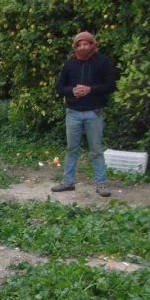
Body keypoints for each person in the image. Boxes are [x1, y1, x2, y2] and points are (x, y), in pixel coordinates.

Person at [51, 31, 117, 197]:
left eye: (85, 44)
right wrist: (72, 91)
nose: (82, 47)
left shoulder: (103, 62)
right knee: (71, 149)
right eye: (79, 45)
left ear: (92, 45)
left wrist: (90, 89)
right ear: (75, 47)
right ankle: (68, 182)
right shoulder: (70, 63)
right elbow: (60, 87)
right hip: (73, 113)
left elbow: (110, 85)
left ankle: (101, 184)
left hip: (94, 113)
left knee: (96, 150)